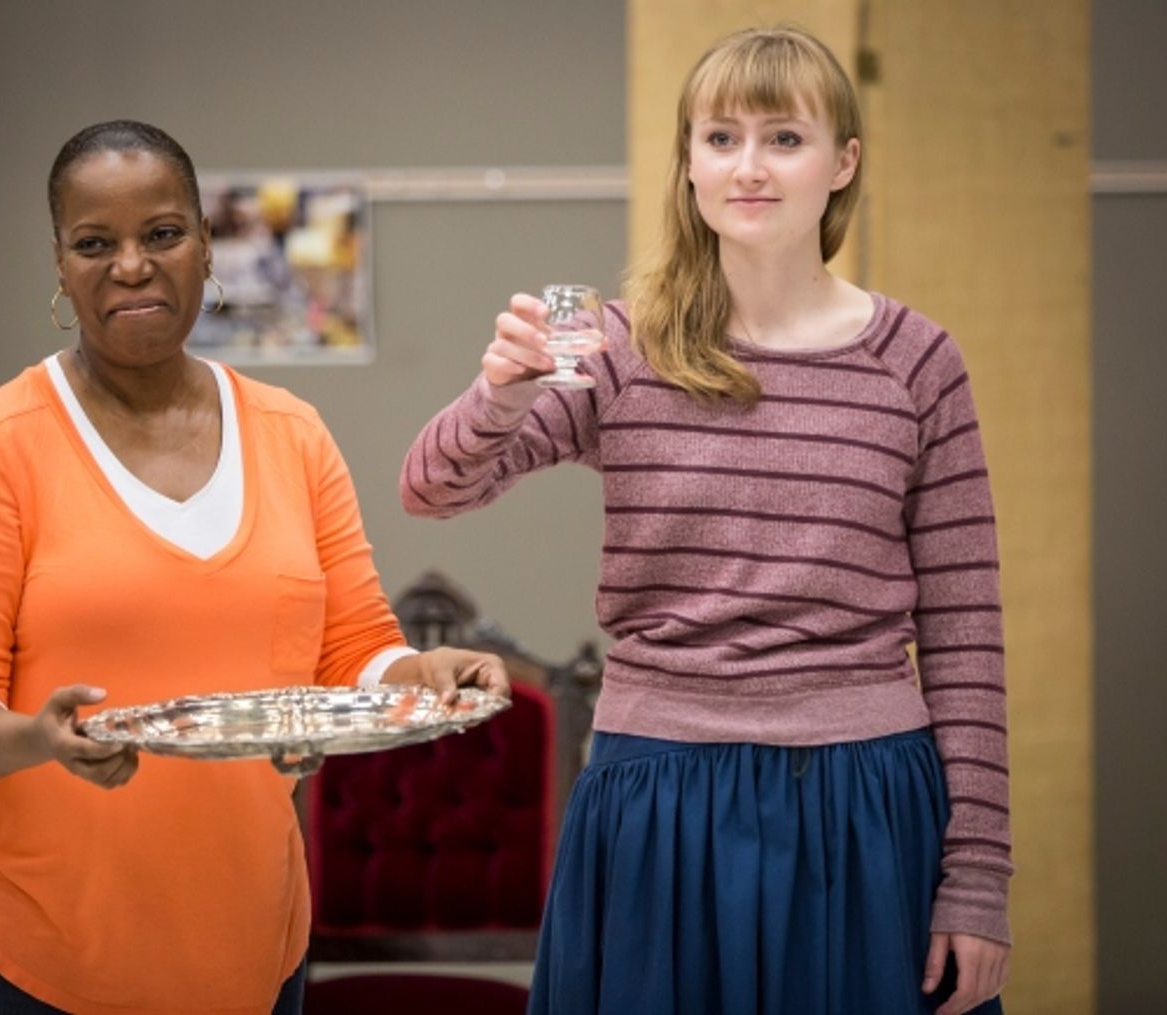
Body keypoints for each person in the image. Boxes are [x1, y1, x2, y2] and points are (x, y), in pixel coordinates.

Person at [400, 26, 1011, 1015]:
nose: (748, 166)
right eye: (719, 138)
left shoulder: (917, 360)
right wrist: (497, 394)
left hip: (860, 799)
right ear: (687, 165)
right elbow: (432, 488)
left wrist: (976, 877)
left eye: (782, 137)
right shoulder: (607, 341)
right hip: (655, 793)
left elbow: (965, 633)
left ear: (841, 162)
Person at [0, 119, 508, 1015]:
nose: (133, 266)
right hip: (34, 950)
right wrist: (38, 738)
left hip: (249, 942)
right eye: (94, 243)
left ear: (206, 245)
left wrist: (423, 676)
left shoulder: (293, 434)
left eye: (162, 234)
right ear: (61, 266)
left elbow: (355, 648)